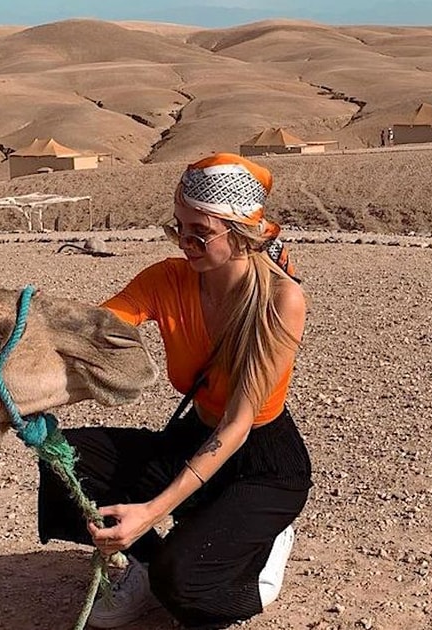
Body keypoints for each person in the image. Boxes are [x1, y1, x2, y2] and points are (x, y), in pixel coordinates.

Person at [37, 153, 313, 629]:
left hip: (261, 463)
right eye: (178, 228)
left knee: (184, 587)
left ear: (241, 231)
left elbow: (238, 424)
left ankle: (264, 557)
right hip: (194, 437)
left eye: (199, 233)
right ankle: (144, 564)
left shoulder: (280, 299)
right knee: (64, 459)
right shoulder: (167, 279)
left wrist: (151, 511)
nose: (185, 243)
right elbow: (98, 331)